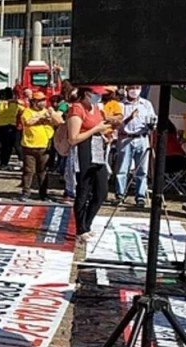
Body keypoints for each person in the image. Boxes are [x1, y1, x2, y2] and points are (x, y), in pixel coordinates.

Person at [69, 87, 113, 241]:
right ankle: (81, 229)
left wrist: (105, 135)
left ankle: (87, 223)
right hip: (83, 150)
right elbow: (73, 138)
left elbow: (100, 128)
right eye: (95, 94)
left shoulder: (96, 108)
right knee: (84, 189)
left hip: (97, 149)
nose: (98, 97)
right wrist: (96, 129)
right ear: (86, 94)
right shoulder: (77, 109)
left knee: (102, 191)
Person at [115, 85, 157, 207]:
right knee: (122, 169)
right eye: (132, 88)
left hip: (142, 138)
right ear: (127, 90)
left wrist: (152, 124)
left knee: (142, 170)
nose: (135, 90)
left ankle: (140, 196)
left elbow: (153, 119)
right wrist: (129, 118)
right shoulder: (120, 105)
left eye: (137, 87)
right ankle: (120, 194)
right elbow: (117, 125)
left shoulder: (146, 104)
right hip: (125, 138)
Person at [19, 92, 58, 201]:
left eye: (44, 100)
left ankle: (43, 194)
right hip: (29, 146)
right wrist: (41, 117)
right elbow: (28, 122)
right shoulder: (27, 112)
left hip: (44, 147)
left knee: (43, 171)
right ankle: (25, 193)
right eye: (40, 100)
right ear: (34, 102)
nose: (43, 102)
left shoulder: (48, 112)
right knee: (28, 171)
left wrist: (52, 115)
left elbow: (58, 122)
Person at [0, 87, 23, 169]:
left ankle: (3, 163)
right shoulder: (15, 104)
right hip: (11, 126)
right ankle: (6, 163)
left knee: (3, 146)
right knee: (10, 146)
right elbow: (23, 109)